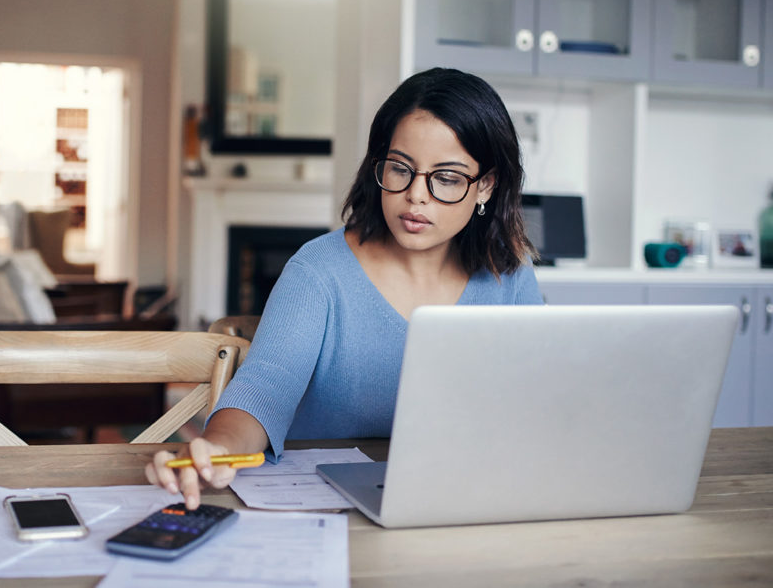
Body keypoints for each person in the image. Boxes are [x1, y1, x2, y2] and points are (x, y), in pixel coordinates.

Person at [147, 67, 543, 509]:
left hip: (460, 501)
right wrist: (217, 448)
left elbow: (538, 402)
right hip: (325, 508)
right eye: (400, 169)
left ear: (485, 185)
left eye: (447, 178)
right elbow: (263, 390)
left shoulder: (510, 274)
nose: (416, 195)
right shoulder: (318, 272)